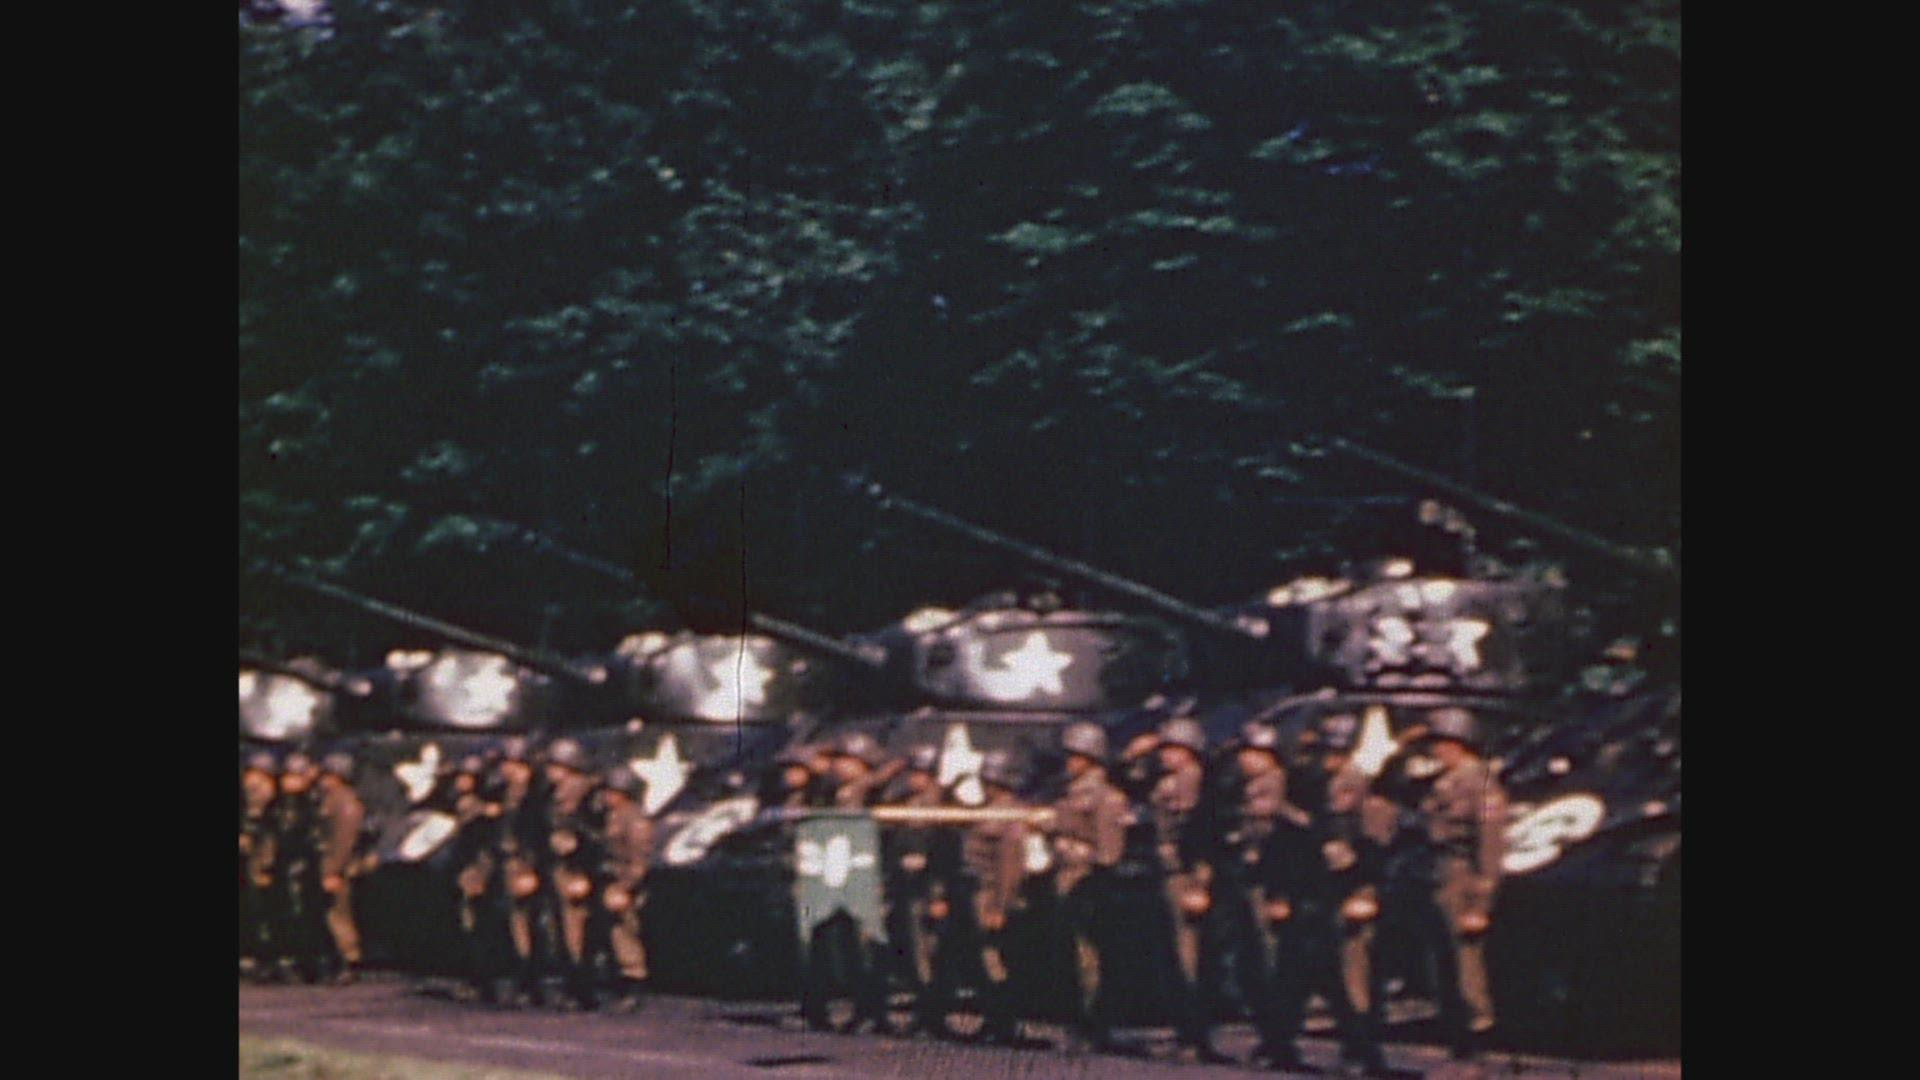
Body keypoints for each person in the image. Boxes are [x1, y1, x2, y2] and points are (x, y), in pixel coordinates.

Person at [1267, 713, 1390, 1076]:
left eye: (1336, 752)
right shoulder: (1307, 786)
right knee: (1298, 971)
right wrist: (1283, 892)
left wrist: (1366, 891)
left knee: (1353, 978)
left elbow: (1376, 851)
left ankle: (1363, 1051)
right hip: (1312, 891)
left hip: (1348, 891)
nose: (1329, 760)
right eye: (1325, 752)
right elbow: (1292, 844)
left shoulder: (1365, 793)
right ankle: (1283, 1044)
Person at [1127, 715, 1229, 1063]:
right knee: (1171, 956)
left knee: (1190, 959)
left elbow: (1204, 833)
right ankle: (1184, 1032)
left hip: (1187, 875)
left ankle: (1196, 1037)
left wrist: (1200, 881)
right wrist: (1134, 755)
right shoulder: (1165, 780)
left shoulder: (1198, 783)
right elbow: (1127, 783)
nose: (1165, 754)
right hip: (1165, 872)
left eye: (1173, 748)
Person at [1412, 707, 1508, 1061]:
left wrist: (1480, 904)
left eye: (1440, 743)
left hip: (1462, 876)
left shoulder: (1480, 783)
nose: (1435, 751)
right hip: (1436, 874)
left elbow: (1490, 846)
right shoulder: (1442, 781)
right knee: (1441, 968)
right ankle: (1457, 1044)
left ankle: (1476, 1044)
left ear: (1459, 743)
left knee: (1465, 967)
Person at [922, 748, 1029, 1044]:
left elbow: (1010, 866)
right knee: (971, 956)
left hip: (989, 892)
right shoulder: (985, 809)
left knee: (991, 958)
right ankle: (992, 1018)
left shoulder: (1010, 815)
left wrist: (1000, 905)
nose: (984, 784)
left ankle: (1004, 1023)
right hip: (968, 890)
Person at [1047, 721, 1131, 1053]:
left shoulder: (1107, 798)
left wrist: (1081, 859)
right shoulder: (1069, 794)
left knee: (1089, 960)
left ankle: (1093, 1026)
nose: (1070, 762)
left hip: (1089, 886)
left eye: (1076, 755)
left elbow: (1108, 854)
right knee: (1068, 958)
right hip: (1067, 881)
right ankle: (1077, 1024)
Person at [540, 737, 601, 1009]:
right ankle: (573, 985)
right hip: (560, 864)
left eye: (554, 765)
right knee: (563, 928)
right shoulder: (555, 792)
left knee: (575, 928)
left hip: (576, 867)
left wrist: (580, 865)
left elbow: (590, 833)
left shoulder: (582, 793)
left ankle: (581, 987)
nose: (549, 771)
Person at [590, 764, 655, 1011]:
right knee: (608, 933)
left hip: (624, 883)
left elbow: (640, 858)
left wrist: (627, 886)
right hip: (607, 879)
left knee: (624, 934)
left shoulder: (634, 819)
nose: (607, 796)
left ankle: (633, 984)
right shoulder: (609, 816)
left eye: (612, 791)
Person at [314, 752, 369, 984]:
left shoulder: (345, 802)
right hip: (329, 862)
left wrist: (334, 870)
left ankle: (349, 960)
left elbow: (344, 840)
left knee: (338, 914)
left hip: (338, 865)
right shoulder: (331, 798)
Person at [239, 752, 280, 979]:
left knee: (262, 909)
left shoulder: (270, 804)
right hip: (254, 861)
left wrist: (266, 864)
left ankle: (267, 956)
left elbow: (267, 836)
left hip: (263, 861)